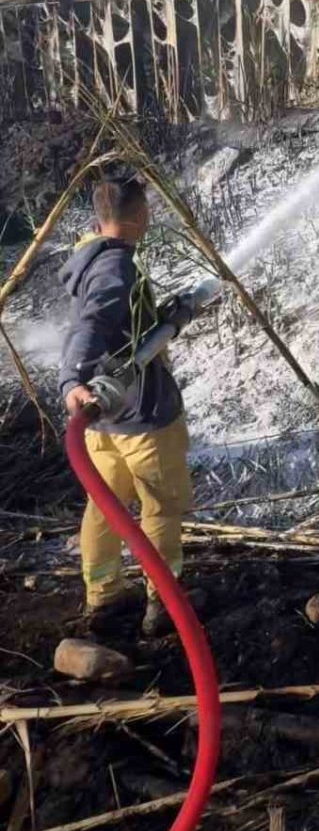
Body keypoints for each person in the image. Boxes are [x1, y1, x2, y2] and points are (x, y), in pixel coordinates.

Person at [58, 175, 193, 638]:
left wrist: (164, 321)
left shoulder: (90, 255)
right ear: (137, 216)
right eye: (148, 210)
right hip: (144, 419)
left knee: (105, 505)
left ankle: (104, 595)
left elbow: (109, 325)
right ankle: (163, 604)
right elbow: (94, 323)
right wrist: (72, 378)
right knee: (161, 507)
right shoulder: (116, 267)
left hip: (104, 424)